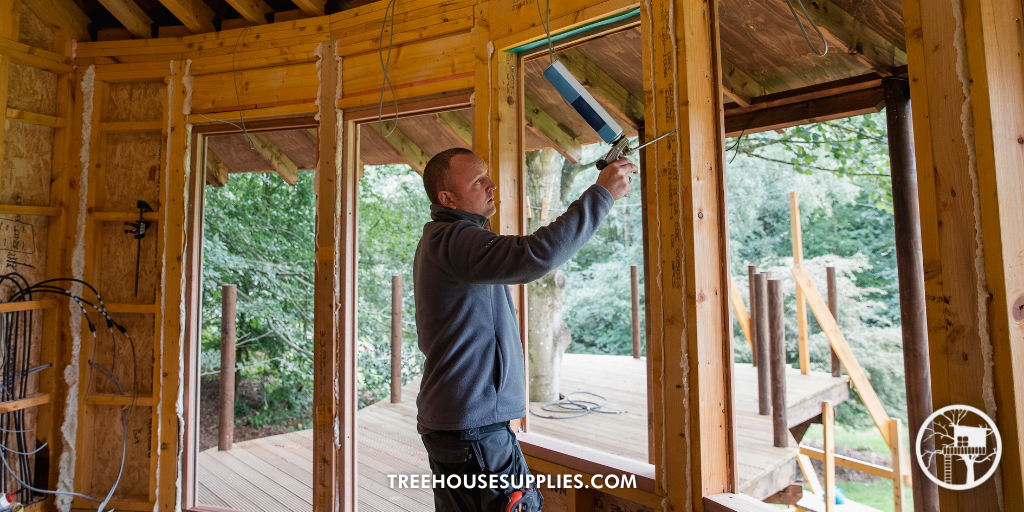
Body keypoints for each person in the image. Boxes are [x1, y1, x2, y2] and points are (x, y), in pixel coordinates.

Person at [412, 147, 636, 511]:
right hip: (474, 429)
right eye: (478, 180)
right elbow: (536, 255)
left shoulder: (447, 242)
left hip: (462, 426)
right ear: (446, 198)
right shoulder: (455, 241)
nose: (492, 184)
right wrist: (602, 195)